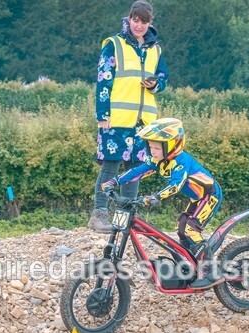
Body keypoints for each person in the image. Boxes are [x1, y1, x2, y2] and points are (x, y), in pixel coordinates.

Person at [101, 117, 225, 289]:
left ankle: (212, 272)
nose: (153, 151)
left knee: (190, 229)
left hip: (210, 196)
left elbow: (176, 185)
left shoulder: (181, 162)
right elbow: (138, 171)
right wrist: (115, 181)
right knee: (181, 228)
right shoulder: (157, 160)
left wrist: (156, 197)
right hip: (196, 198)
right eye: (150, 147)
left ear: (173, 145)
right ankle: (190, 267)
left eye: (157, 148)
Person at [88, 0, 169, 233]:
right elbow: (103, 80)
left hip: (144, 122)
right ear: (129, 18)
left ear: (150, 22)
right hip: (116, 118)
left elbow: (163, 77)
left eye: (144, 21)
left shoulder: (155, 48)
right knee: (110, 167)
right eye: (136, 20)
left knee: (135, 170)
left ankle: (125, 220)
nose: (139, 25)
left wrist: (155, 85)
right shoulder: (113, 44)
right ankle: (99, 214)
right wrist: (102, 114)